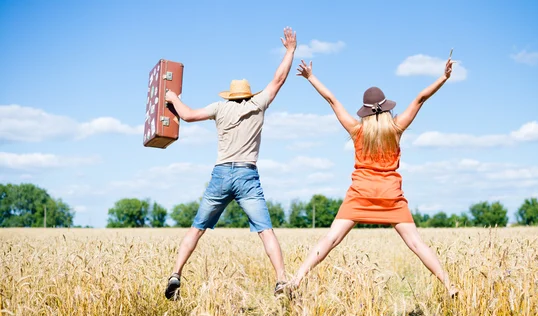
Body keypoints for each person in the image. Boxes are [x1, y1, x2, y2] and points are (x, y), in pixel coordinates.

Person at [289, 56, 458, 297]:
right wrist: (443, 77)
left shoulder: (357, 130)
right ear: (386, 107)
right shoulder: (396, 128)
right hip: (391, 196)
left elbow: (331, 99)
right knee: (416, 244)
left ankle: (296, 279)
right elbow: (421, 98)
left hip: (360, 194)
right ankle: (449, 285)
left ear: (364, 112)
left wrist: (310, 77)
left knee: (331, 238)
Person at [163, 27, 297, 300]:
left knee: (197, 228)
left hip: (221, 174)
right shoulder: (258, 104)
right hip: (247, 175)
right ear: (248, 95)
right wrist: (290, 50)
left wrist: (173, 98)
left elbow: (187, 116)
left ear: (229, 95)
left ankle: (176, 273)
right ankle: (281, 279)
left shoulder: (218, 108)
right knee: (265, 231)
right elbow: (279, 78)